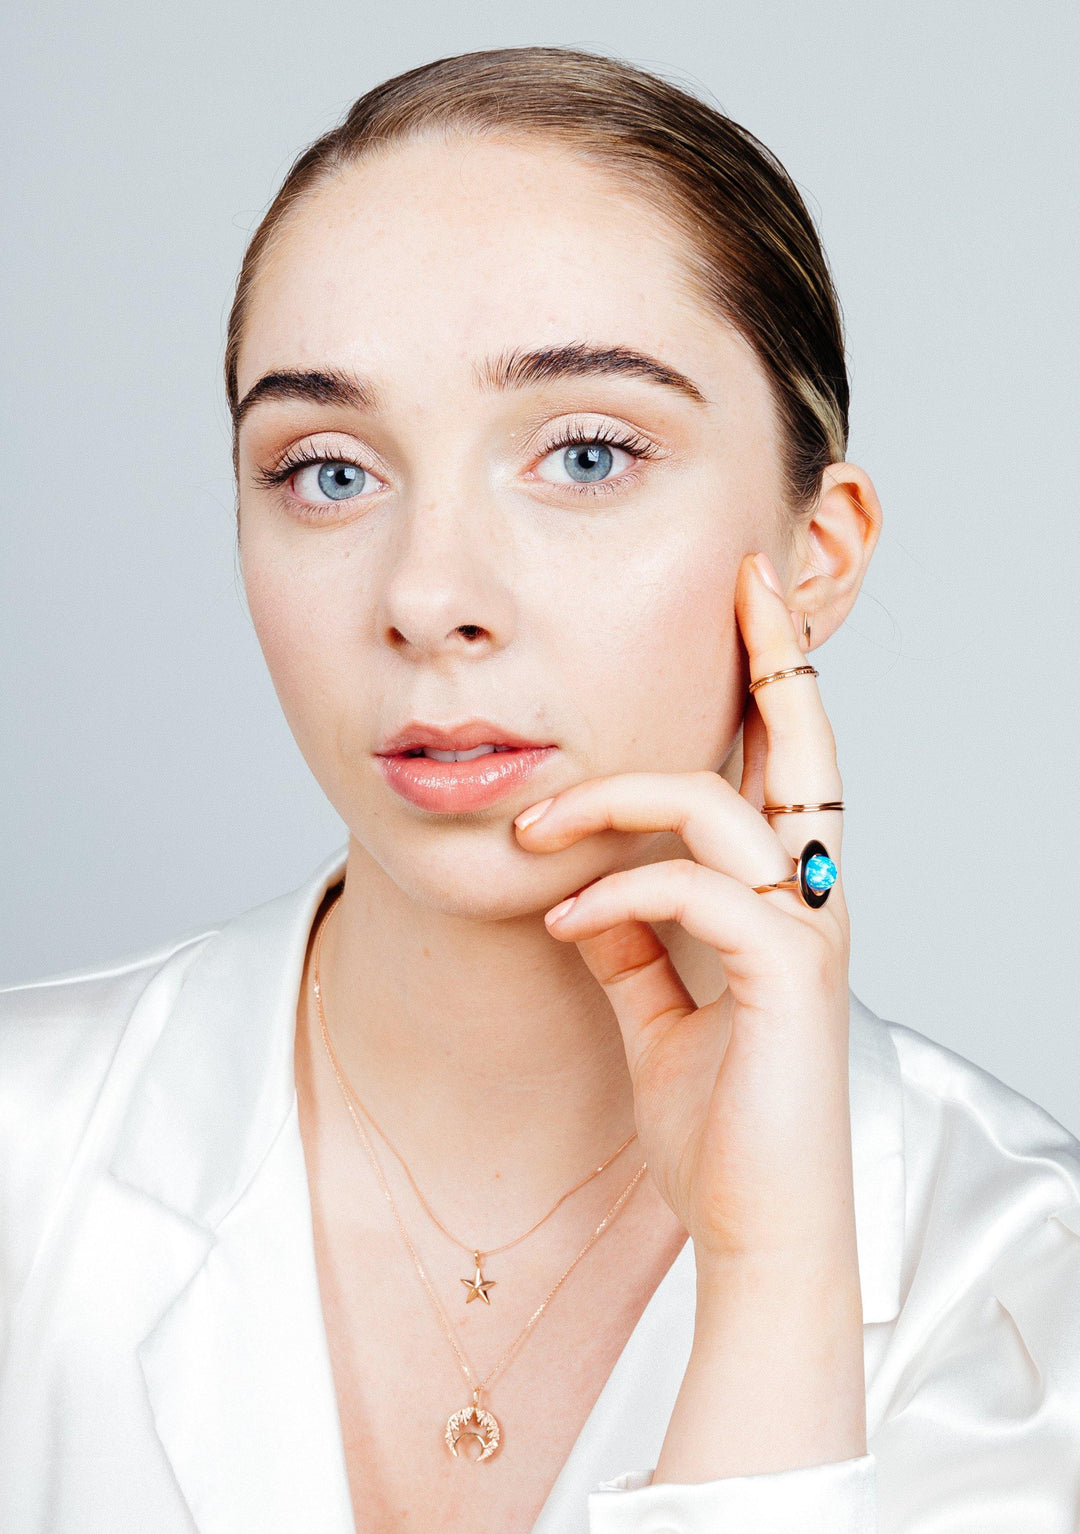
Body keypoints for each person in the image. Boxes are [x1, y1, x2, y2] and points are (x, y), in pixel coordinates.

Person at [1, 44, 1078, 1534]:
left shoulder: (1035, 1289)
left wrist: (774, 1291)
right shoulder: (23, 1158)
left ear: (817, 554)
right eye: (325, 470)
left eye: (584, 452)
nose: (430, 594)